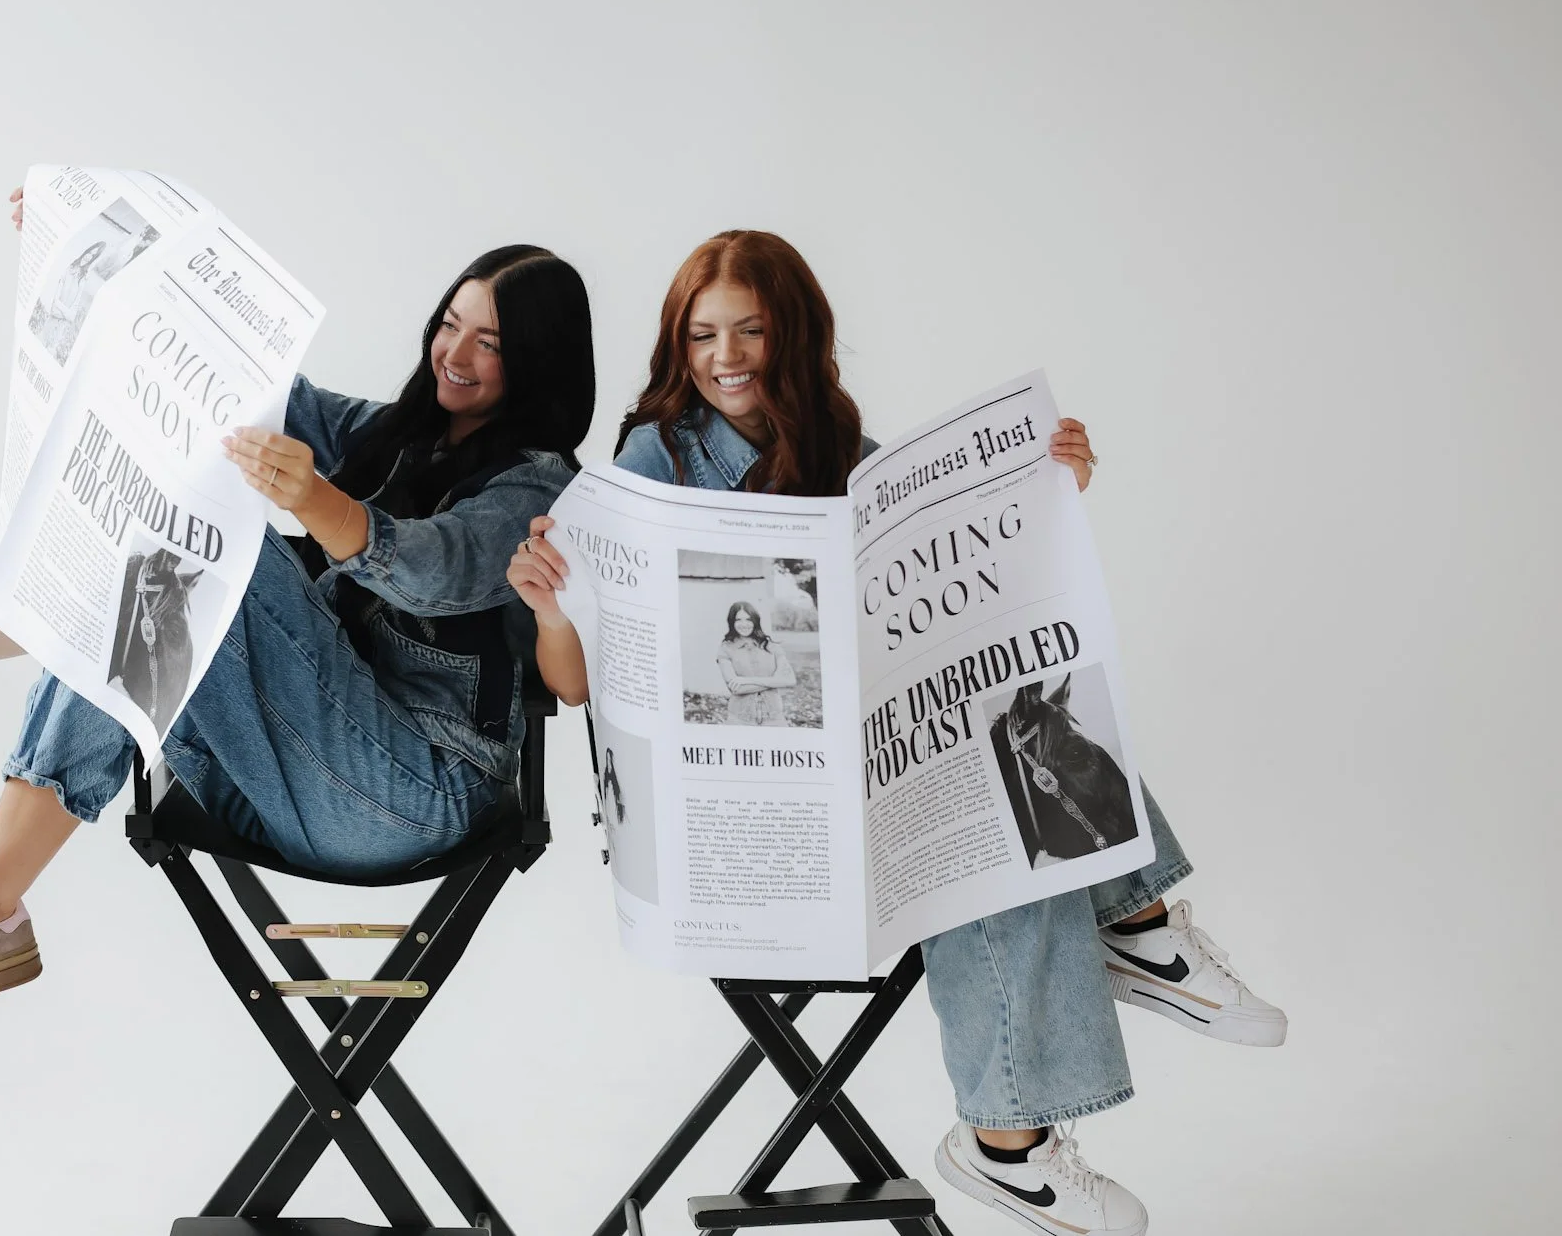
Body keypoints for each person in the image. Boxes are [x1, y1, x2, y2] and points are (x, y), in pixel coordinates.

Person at [508, 230, 1285, 1236]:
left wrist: (1044, 497)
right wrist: (551, 611)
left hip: (850, 790)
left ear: (795, 333)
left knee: (999, 723)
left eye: (749, 328)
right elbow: (575, 690)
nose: (725, 356)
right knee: (978, 808)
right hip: (725, 823)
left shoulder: (854, 460)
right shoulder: (652, 458)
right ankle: (1124, 945)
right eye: (701, 335)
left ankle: (1018, 1132)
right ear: (677, 345)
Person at [0, 222, 597, 1027]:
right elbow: (252, 390)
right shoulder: (393, 435)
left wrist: (318, 501)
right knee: (158, 557)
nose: (454, 355)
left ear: (537, 362)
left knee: (204, 556)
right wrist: (89, 253)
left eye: (488, 342)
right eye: (449, 325)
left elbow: (432, 565)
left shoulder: (534, 487)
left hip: (408, 797)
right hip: (279, 776)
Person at [713, 599, 794, 724]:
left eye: (748, 619)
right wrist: (775, 681)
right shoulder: (726, 648)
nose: (743, 624)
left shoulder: (771, 646)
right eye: (738, 620)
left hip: (774, 719)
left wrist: (747, 680)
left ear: (755, 620)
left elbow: (789, 680)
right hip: (740, 719)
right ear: (732, 622)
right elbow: (736, 688)